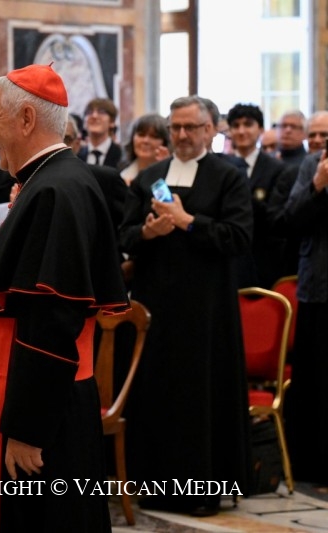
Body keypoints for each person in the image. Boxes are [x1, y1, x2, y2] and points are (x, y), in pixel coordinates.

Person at [0, 64, 128, 533]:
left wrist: (27, 429)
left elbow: (51, 321)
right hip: (46, 399)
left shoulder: (54, 190)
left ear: (27, 118)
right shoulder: (54, 181)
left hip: (44, 413)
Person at [121, 95, 253, 516]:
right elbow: (122, 236)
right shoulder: (151, 176)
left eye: (190, 127)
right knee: (156, 395)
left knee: (200, 399)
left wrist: (189, 222)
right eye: (175, 127)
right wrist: (149, 231)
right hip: (155, 305)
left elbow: (238, 237)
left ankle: (201, 492)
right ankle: (154, 485)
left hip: (206, 310)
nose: (180, 135)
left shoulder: (229, 177)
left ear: (212, 129)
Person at [282, 143, 328, 486]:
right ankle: (312, 465)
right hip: (318, 288)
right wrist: (317, 183)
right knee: (314, 382)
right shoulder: (313, 164)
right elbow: (292, 217)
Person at [226, 102, 287, 288]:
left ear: (260, 129)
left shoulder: (276, 168)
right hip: (228, 257)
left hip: (262, 258)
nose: (241, 131)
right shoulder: (220, 166)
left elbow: (273, 217)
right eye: (236, 126)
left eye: (248, 124)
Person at [119, 113, 171, 184]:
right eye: (141, 135)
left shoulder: (172, 174)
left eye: (154, 136)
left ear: (165, 143)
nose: (145, 141)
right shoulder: (120, 173)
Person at [77, 97, 122, 168]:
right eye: (89, 112)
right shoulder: (77, 156)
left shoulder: (122, 156)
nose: (94, 116)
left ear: (112, 121)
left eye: (101, 112)